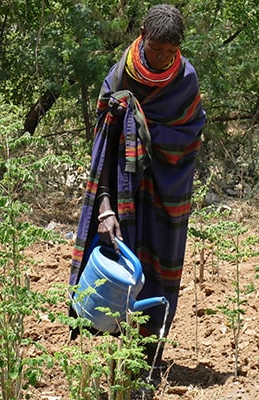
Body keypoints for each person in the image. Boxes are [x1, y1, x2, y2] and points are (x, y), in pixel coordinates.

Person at [69, 3, 206, 369]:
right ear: (142, 36)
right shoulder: (119, 77)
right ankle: (117, 358)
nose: (162, 58)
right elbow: (102, 149)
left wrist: (139, 122)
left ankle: (149, 358)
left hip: (166, 190)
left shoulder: (185, 80)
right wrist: (105, 207)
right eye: (156, 48)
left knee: (159, 269)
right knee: (120, 267)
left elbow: (189, 134)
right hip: (122, 189)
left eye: (170, 52)